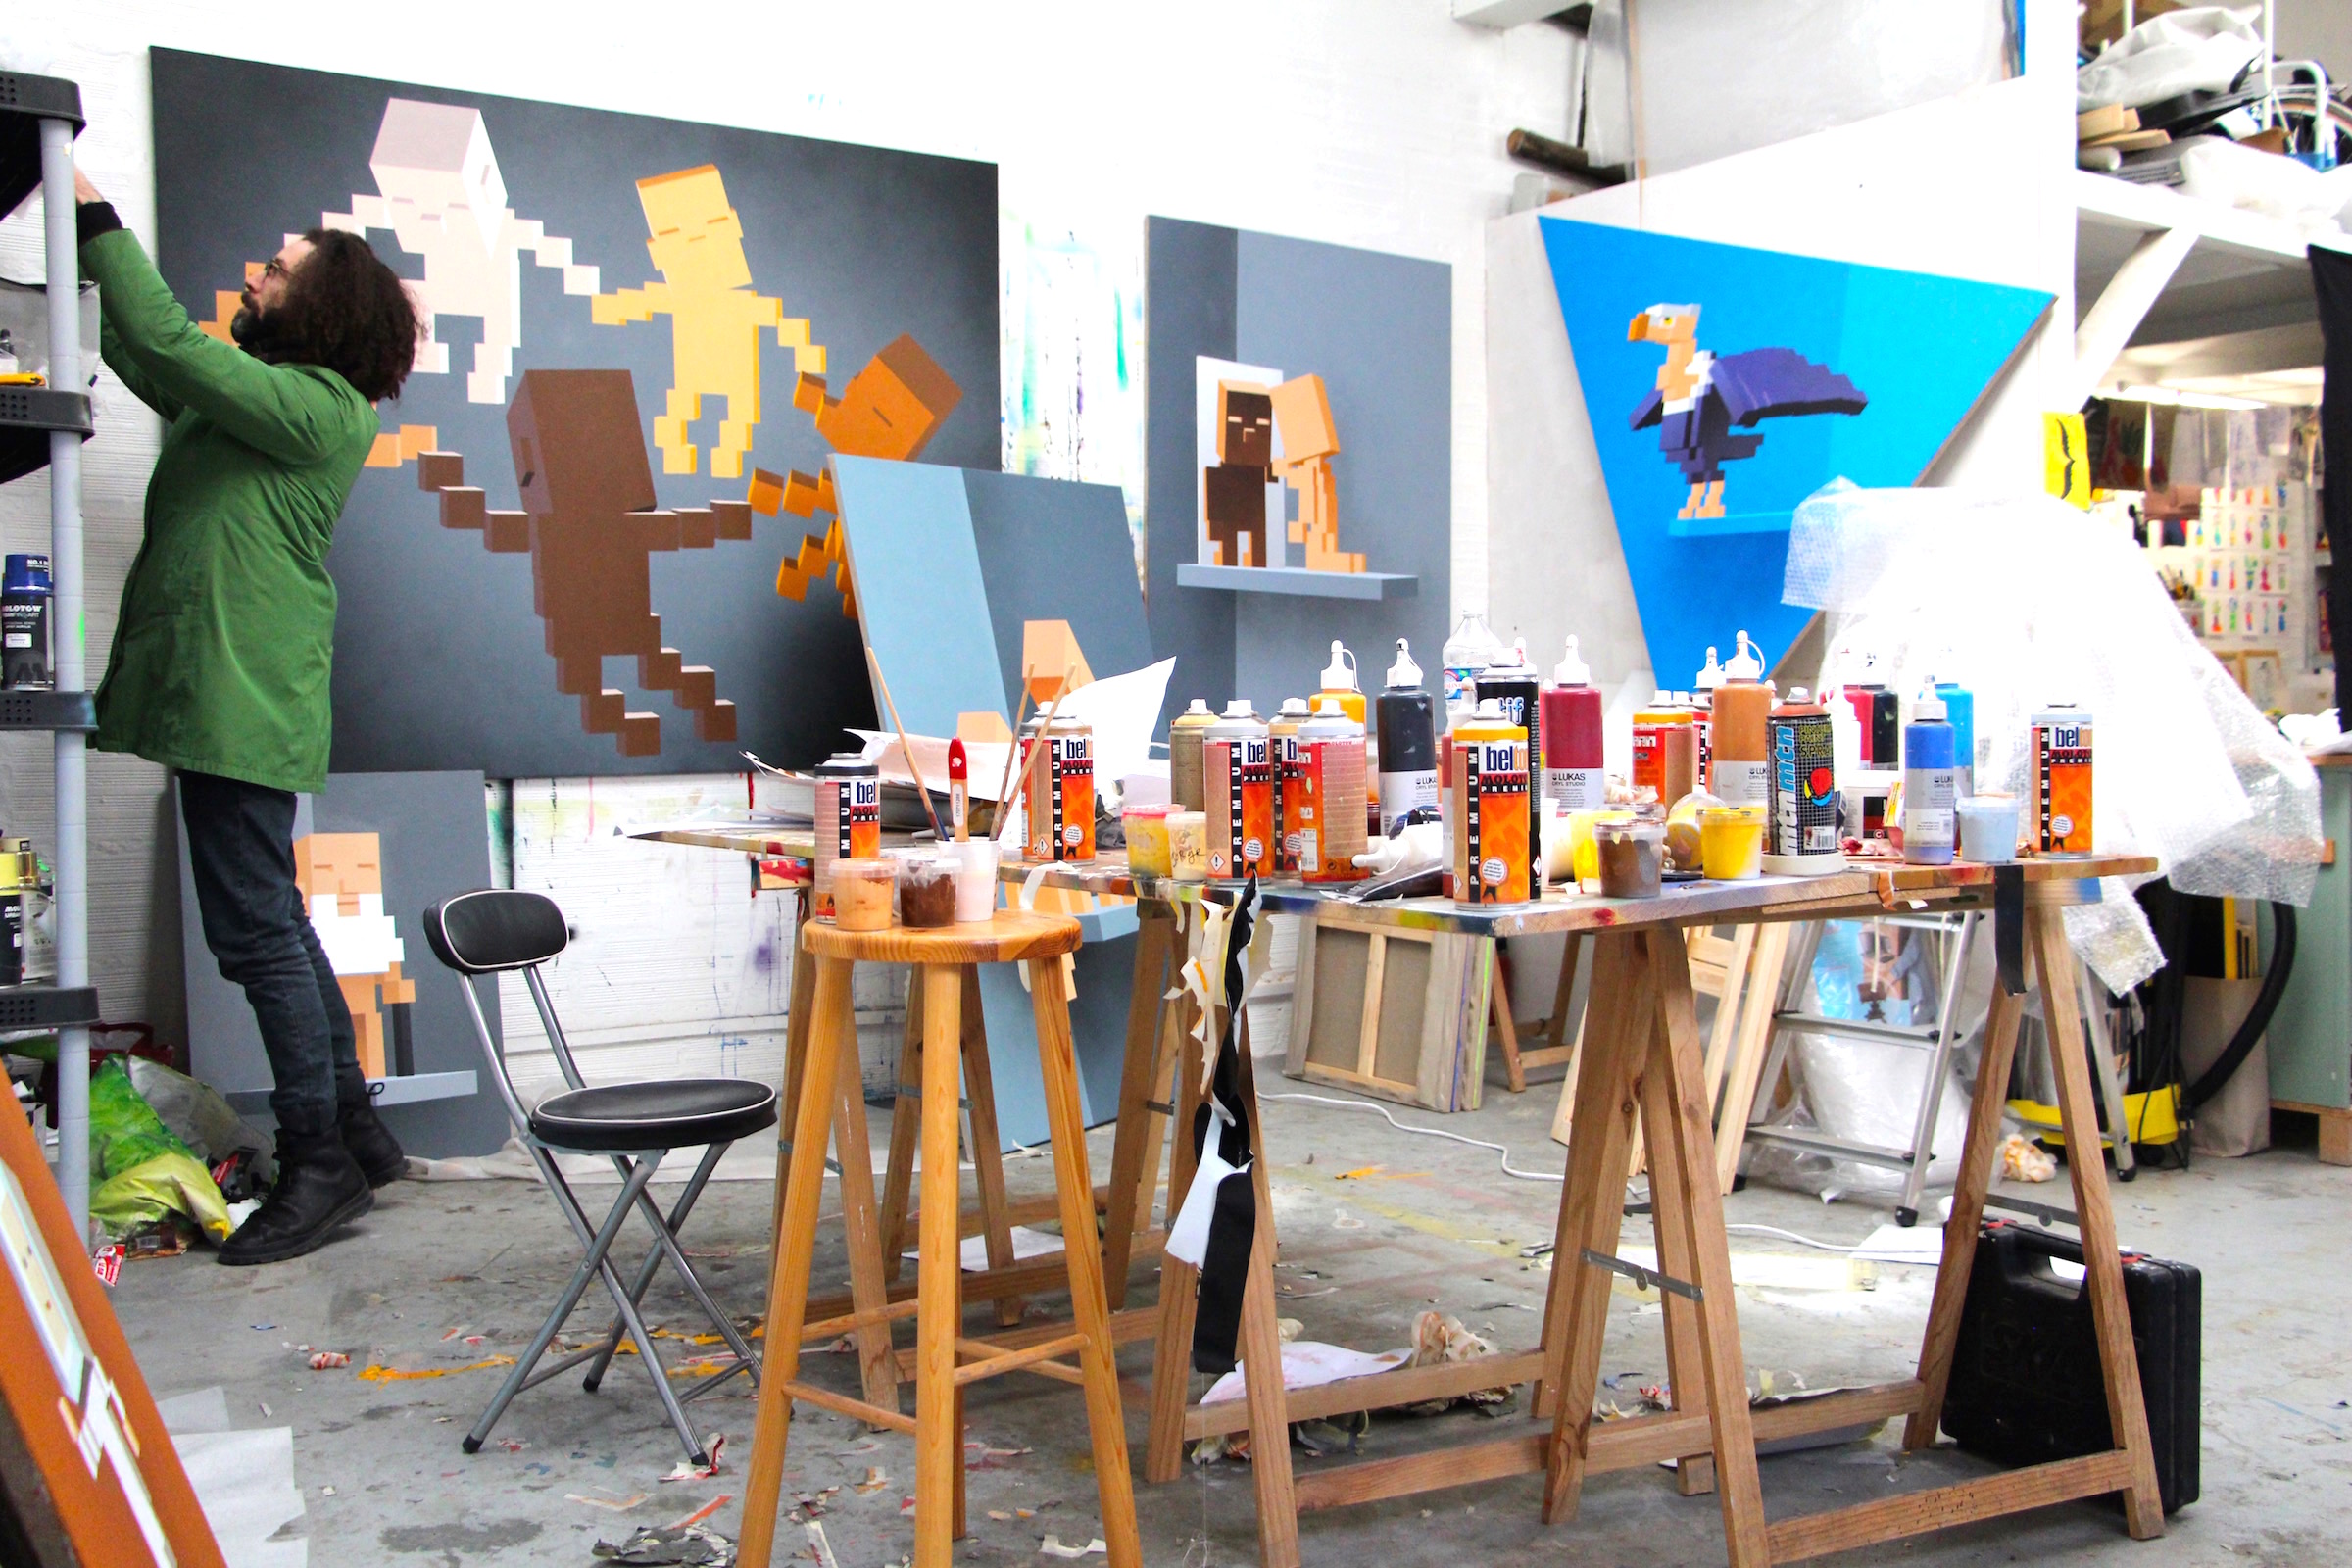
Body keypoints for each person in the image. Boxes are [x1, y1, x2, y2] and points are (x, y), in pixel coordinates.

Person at [73, 168, 420, 1265]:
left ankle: (317, 1160)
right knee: (275, 923)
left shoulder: (319, 408)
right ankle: (356, 1133)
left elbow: (169, 344)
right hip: (232, 692)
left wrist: (91, 211)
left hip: (241, 694)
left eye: (276, 270)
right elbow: (151, 356)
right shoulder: (255, 403)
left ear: (321, 305)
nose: (257, 279)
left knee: (255, 934)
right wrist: (81, 269)